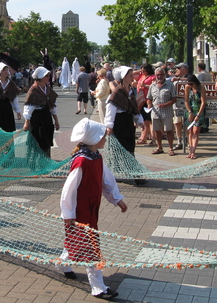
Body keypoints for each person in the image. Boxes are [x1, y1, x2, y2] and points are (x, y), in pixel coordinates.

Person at [56, 118, 126, 301]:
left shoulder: (96, 158)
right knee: (91, 246)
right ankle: (98, 287)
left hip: (92, 207)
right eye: (102, 135)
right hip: (81, 210)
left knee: (77, 240)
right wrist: (68, 214)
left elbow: (106, 179)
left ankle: (63, 264)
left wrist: (117, 199)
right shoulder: (81, 161)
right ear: (94, 138)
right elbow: (68, 191)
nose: (105, 138)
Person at [105, 66, 146, 186]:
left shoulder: (130, 91)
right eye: (130, 76)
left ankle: (131, 174)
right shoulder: (118, 92)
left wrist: (139, 120)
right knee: (119, 151)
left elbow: (133, 107)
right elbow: (110, 109)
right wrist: (109, 126)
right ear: (123, 78)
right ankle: (133, 176)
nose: (132, 77)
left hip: (127, 122)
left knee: (129, 149)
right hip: (119, 123)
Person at [22, 67, 60, 157]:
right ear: (40, 77)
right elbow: (28, 108)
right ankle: (34, 161)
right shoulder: (33, 90)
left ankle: (46, 160)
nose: (48, 77)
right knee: (36, 138)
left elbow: (53, 106)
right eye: (46, 76)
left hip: (46, 116)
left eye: (48, 75)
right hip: (36, 117)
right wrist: (27, 122)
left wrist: (56, 121)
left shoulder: (48, 90)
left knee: (46, 138)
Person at [146, 67, 176, 156]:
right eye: (158, 75)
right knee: (157, 130)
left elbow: (174, 98)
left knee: (169, 130)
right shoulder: (152, 86)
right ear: (155, 76)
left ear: (165, 75)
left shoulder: (170, 85)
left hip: (167, 111)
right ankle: (159, 147)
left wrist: (166, 104)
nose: (159, 76)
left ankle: (171, 148)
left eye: (161, 74)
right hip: (155, 112)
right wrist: (149, 104)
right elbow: (149, 98)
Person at [184, 75, 206, 160]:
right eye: (188, 83)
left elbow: (203, 102)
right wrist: (190, 112)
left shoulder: (201, 88)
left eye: (191, 83)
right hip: (190, 111)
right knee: (190, 131)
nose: (190, 85)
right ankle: (190, 150)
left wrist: (198, 115)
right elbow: (186, 101)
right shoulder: (187, 87)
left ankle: (193, 151)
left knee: (196, 131)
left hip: (198, 110)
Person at [136, 63, 155, 145]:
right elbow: (132, 74)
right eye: (142, 70)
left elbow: (154, 86)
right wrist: (139, 70)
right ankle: (145, 137)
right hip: (141, 100)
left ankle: (151, 138)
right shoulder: (141, 76)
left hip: (148, 100)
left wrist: (145, 85)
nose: (143, 72)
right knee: (145, 119)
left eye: (144, 71)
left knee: (149, 120)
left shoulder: (152, 77)